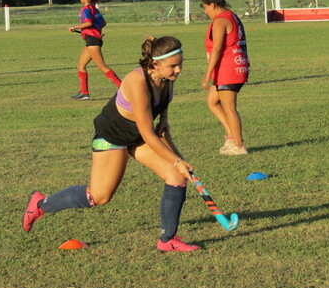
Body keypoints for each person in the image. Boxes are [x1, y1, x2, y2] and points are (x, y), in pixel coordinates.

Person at [23, 36, 200, 252]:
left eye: (181, 63)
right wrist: (177, 160)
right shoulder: (137, 81)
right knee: (98, 196)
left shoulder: (166, 78)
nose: (178, 70)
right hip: (112, 137)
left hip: (138, 137)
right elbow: (148, 133)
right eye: (173, 65)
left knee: (176, 177)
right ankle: (40, 204)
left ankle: (167, 240)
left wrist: (165, 123)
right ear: (155, 63)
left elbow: (158, 120)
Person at [200, 0, 250, 155]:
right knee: (212, 101)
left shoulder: (220, 21)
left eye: (205, 7)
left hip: (229, 69)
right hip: (235, 66)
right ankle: (230, 136)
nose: (206, 12)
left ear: (212, 5)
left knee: (229, 108)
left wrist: (207, 74)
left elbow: (217, 49)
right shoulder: (232, 15)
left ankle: (239, 145)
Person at [69, 0, 121, 100]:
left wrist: (75, 27)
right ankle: (84, 93)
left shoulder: (86, 9)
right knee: (80, 65)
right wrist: (95, 32)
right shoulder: (94, 9)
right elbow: (103, 23)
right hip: (92, 40)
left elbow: (88, 22)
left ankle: (124, 89)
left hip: (93, 41)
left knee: (102, 67)